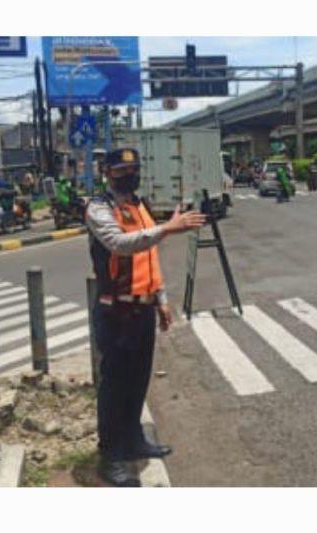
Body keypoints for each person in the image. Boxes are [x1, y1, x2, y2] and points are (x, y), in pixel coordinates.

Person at [86, 148, 206, 487]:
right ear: (107, 173)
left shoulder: (140, 205)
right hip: (116, 312)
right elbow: (120, 244)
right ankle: (111, 456)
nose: (129, 175)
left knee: (137, 381)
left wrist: (161, 299)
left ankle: (133, 440)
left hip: (142, 310)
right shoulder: (99, 208)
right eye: (121, 170)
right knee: (115, 387)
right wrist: (168, 228)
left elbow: (149, 257)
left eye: (134, 169)